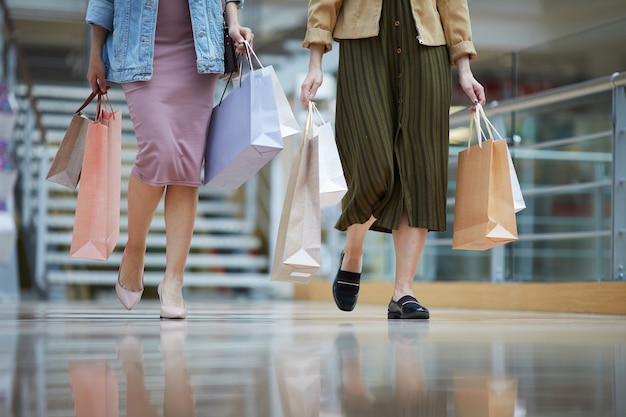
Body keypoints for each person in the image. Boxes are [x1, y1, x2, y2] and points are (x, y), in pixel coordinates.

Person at [300, 0, 486, 319]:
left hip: (427, 48)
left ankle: (404, 291)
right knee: (372, 169)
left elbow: (453, 4)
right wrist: (315, 61)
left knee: (419, 168)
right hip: (364, 46)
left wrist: (465, 69)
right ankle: (353, 251)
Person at [86, 0, 254, 319]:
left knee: (187, 167)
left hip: (199, 53)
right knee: (159, 151)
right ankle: (135, 249)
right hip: (138, 50)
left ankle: (173, 280)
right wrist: (95, 53)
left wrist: (232, 23)